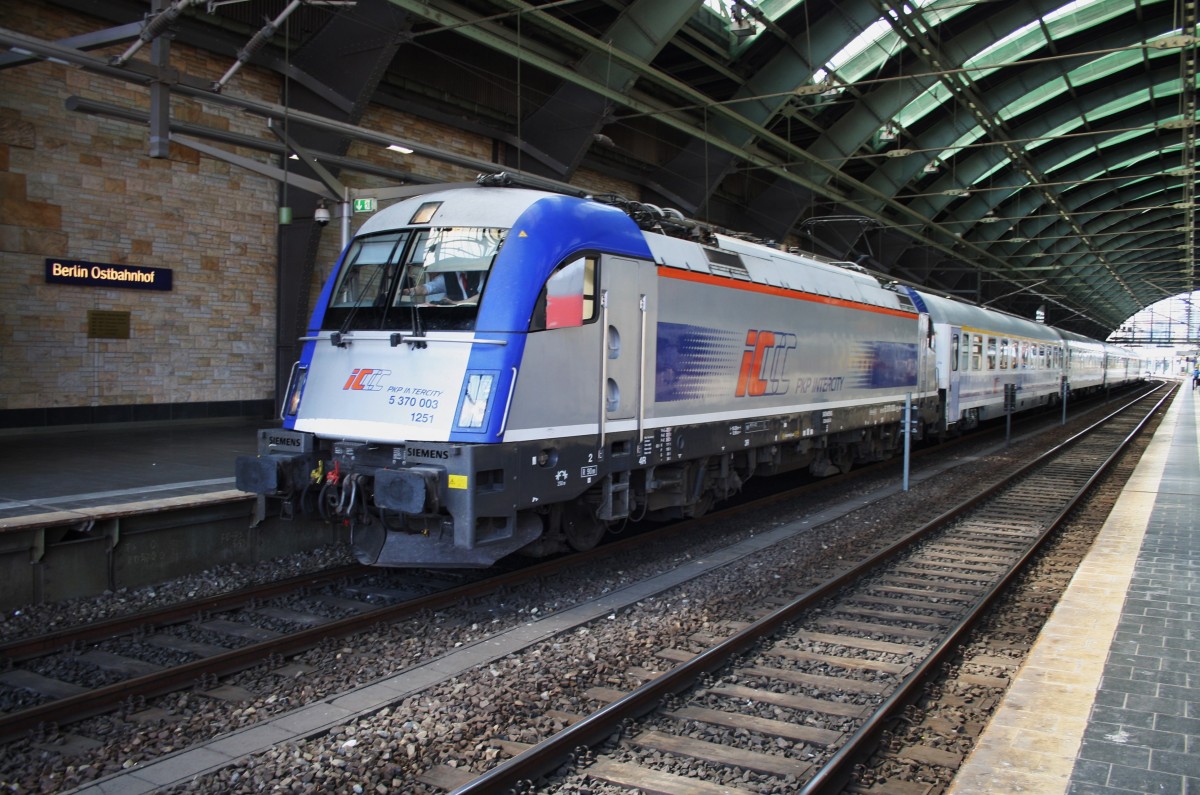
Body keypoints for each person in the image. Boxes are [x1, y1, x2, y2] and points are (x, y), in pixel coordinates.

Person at [401, 270, 484, 303]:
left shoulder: (482, 273)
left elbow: (484, 296)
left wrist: (456, 303)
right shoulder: (448, 276)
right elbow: (427, 288)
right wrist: (407, 291)